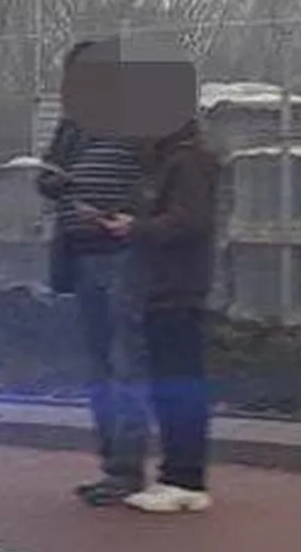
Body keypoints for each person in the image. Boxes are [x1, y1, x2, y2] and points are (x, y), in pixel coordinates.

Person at [35, 39, 151, 506]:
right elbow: (46, 177)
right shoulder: (72, 125)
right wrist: (56, 182)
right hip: (81, 254)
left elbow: (157, 182)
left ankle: (127, 468)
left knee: (126, 362)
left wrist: (125, 214)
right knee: (99, 364)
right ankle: (110, 464)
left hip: (124, 253)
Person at [102, 88, 220, 513]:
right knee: (170, 383)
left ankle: (185, 478)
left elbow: (190, 222)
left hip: (178, 287)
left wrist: (136, 227)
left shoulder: (187, 162)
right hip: (163, 287)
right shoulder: (167, 162)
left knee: (180, 382)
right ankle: (176, 473)